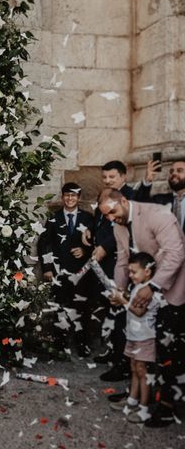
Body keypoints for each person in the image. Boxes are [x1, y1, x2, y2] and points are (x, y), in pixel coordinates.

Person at [98, 188, 185, 427]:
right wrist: (119, 290)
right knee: (140, 350)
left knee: (168, 353)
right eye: (107, 216)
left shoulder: (157, 214)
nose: (112, 219)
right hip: (142, 292)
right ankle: (137, 396)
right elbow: (123, 260)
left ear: (124, 201)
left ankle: (166, 406)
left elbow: (176, 253)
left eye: (113, 212)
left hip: (172, 291)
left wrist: (153, 286)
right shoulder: (118, 225)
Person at [92, 160, 150, 381]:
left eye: (112, 177)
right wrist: (90, 235)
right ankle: (111, 350)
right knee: (109, 308)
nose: (107, 181)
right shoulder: (106, 195)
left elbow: (123, 227)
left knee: (121, 313)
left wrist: (105, 246)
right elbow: (101, 223)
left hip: (120, 261)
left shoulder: (128, 196)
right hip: (106, 263)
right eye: (105, 177)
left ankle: (121, 360)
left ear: (123, 177)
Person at [38, 183, 94, 357]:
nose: (70, 198)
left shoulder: (88, 218)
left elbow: (97, 242)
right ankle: (61, 344)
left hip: (81, 273)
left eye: (74, 195)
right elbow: (44, 244)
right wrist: (47, 268)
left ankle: (82, 343)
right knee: (60, 307)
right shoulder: (54, 219)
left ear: (79, 198)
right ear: (63, 197)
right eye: (67, 195)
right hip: (59, 271)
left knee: (81, 308)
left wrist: (85, 250)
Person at [108, 252, 162, 423]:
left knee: (142, 372)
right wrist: (121, 299)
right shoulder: (137, 287)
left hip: (145, 338)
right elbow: (132, 305)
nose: (130, 275)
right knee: (134, 368)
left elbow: (139, 311)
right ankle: (132, 400)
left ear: (147, 272)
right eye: (129, 272)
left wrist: (123, 302)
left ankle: (144, 407)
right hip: (133, 335)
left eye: (134, 272)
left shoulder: (149, 292)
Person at [144, 159, 185, 233]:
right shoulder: (158, 200)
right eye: (171, 171)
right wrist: (147, 181)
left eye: (179, 170)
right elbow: (139, 207)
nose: (174, 173)